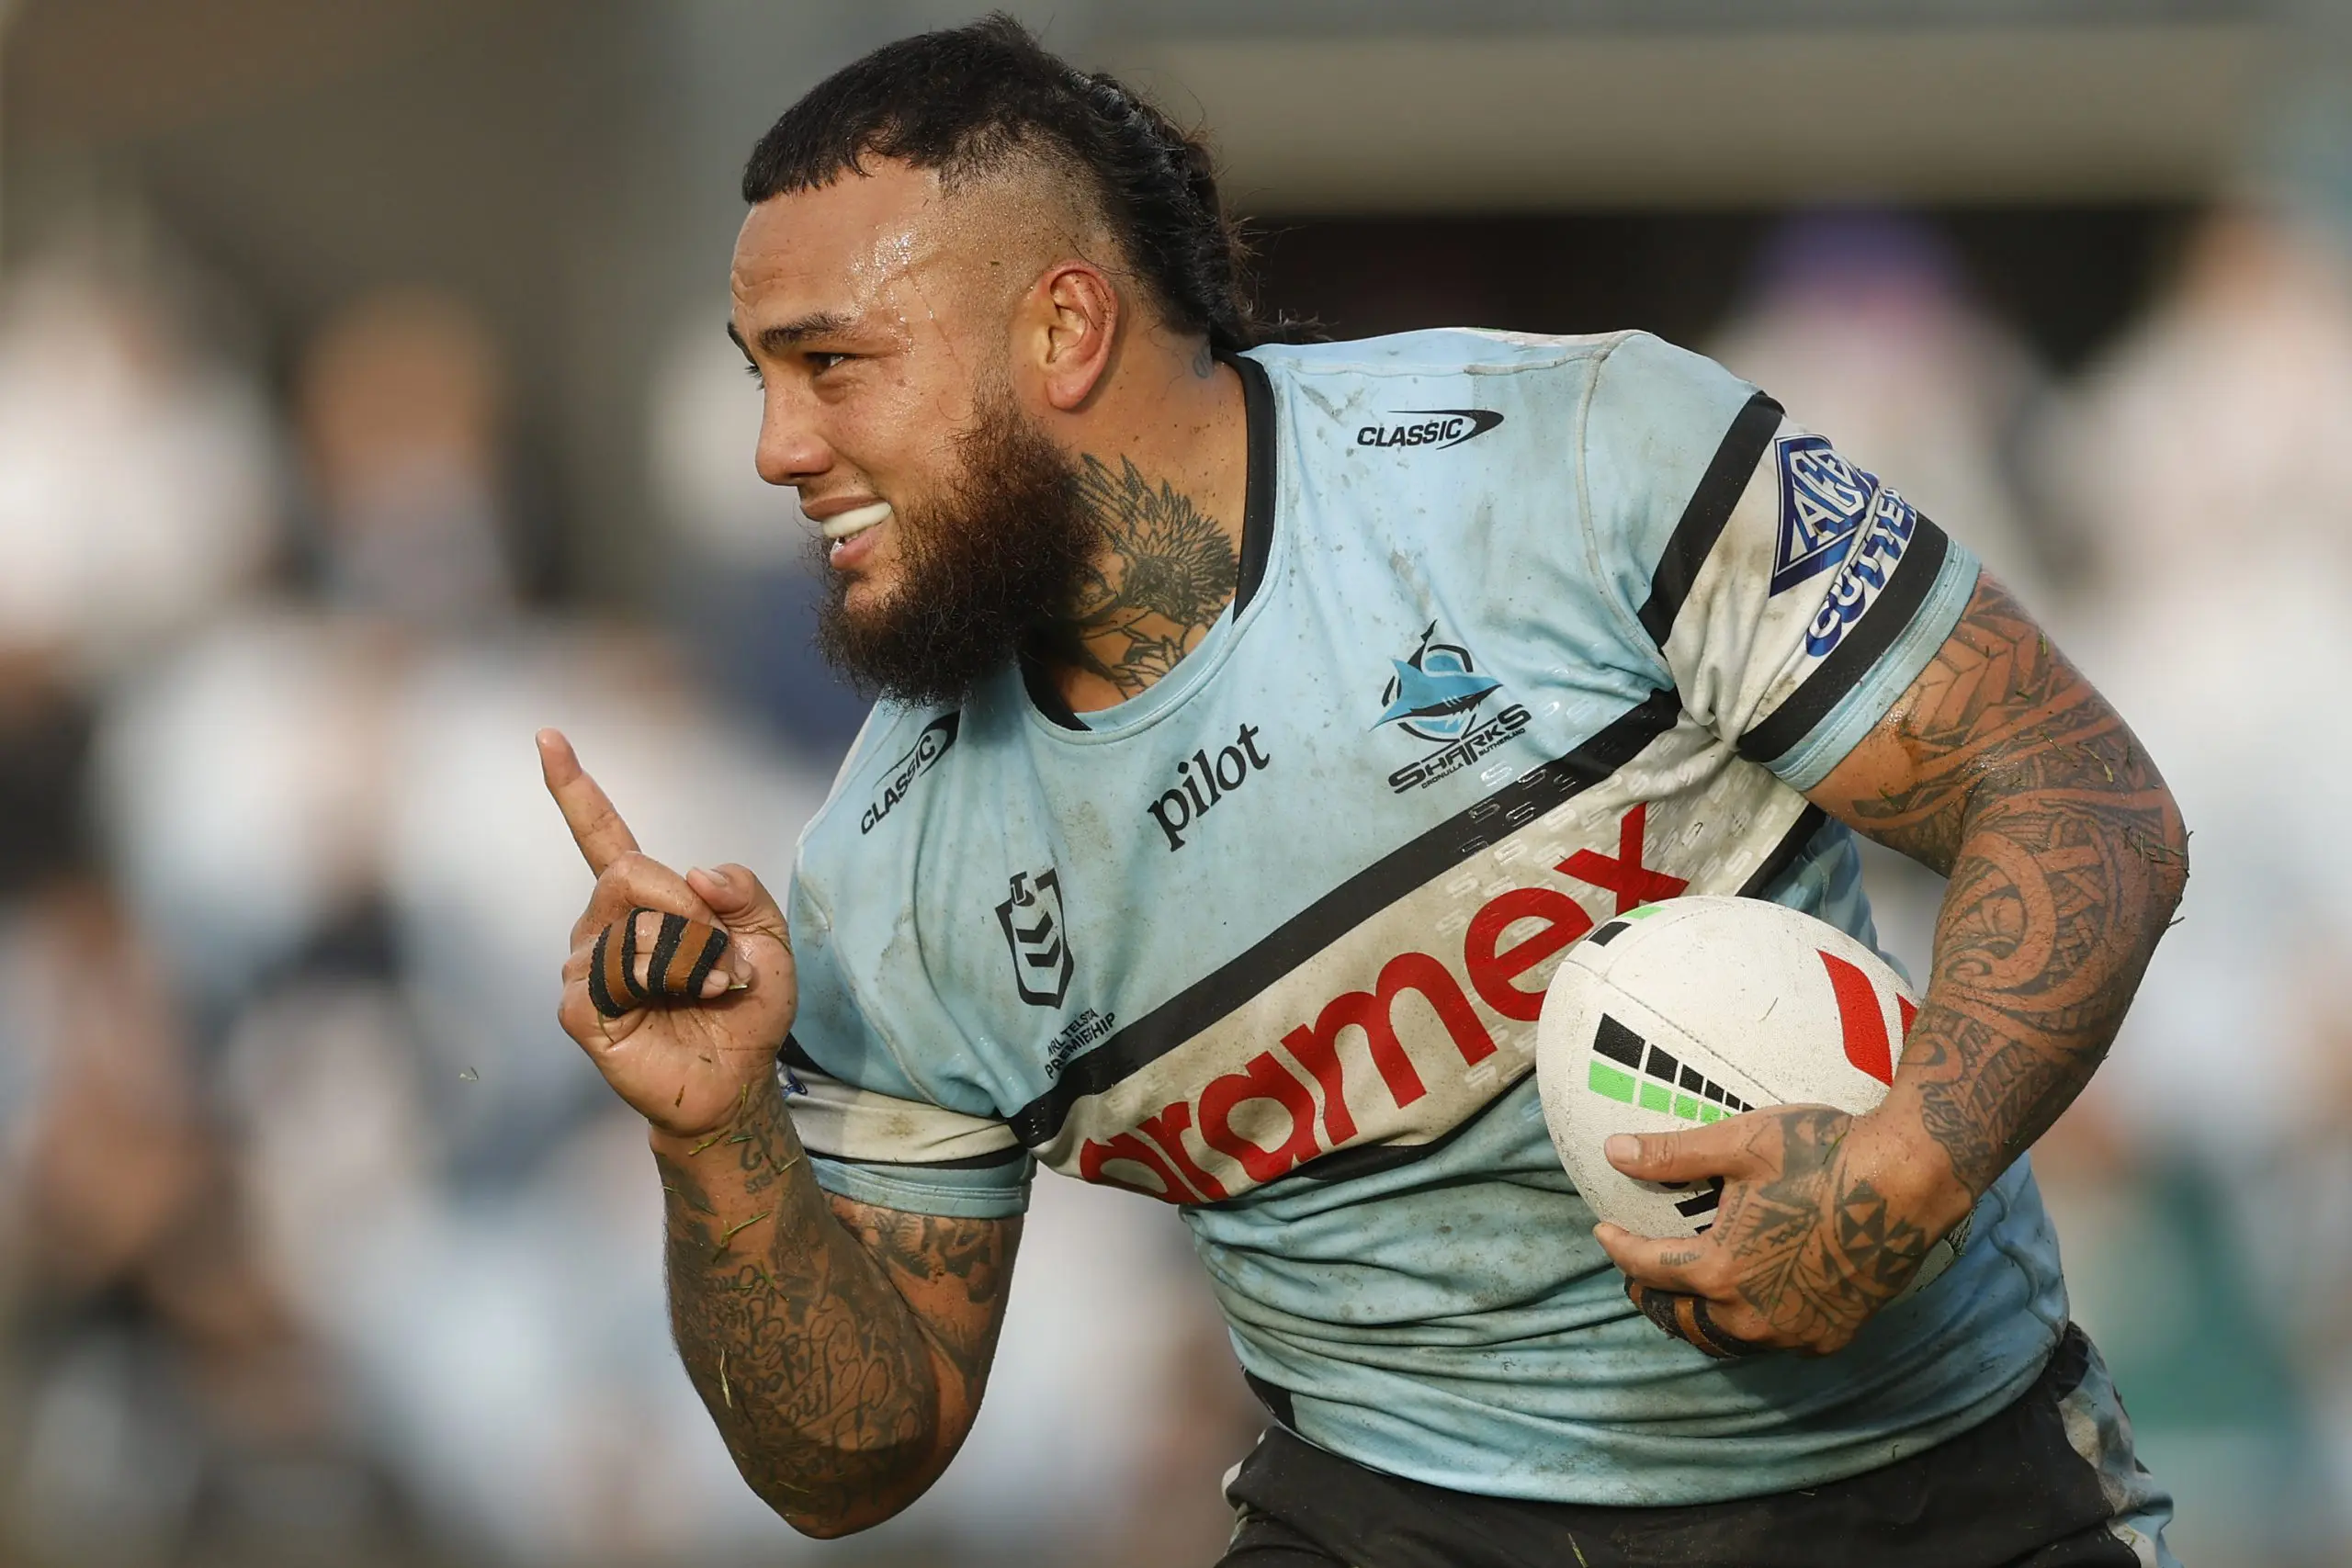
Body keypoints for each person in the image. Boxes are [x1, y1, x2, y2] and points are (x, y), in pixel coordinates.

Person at [540, 17, 2188, 1565]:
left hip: (1944, 1480)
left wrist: (1905, 1168)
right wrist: (719, 1139)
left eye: (830, 363)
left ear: (1062, 328)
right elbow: (856, 1458)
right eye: (762, 372)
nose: (775, 445)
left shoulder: (1578, 453)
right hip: (1412, 1520)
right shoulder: (887, 876)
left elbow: (2079, 794)